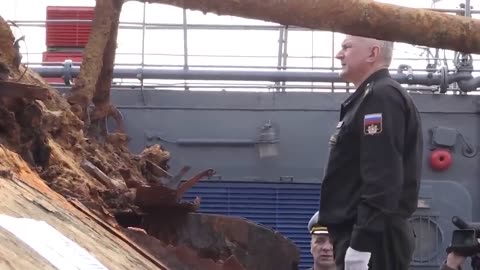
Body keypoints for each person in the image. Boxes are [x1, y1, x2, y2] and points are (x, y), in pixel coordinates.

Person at [317, 34, 424, 270]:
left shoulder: (380, 97)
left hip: (374, 241)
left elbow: (382, 177)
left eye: (347, 47)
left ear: (372, 53)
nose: (339, 54)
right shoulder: (370, 97)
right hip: (364, 236)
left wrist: (361, 245)